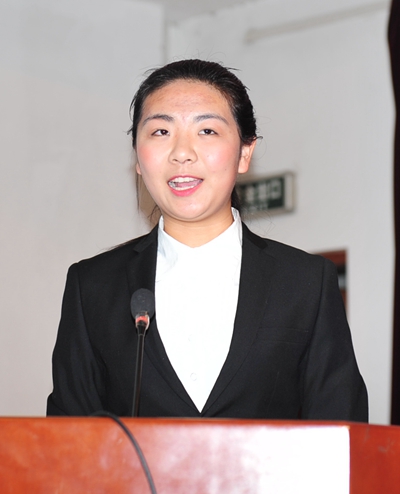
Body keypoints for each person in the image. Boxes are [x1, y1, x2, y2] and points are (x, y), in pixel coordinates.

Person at [47, 59, 368, 421]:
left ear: (244, 153)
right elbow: (67, 438)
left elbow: (342, 430)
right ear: (137, 155)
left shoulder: (305, 282)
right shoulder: (93, 286)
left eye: (207, 131)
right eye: (160, 131)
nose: (182, 152)